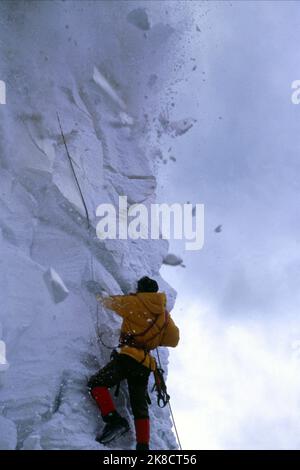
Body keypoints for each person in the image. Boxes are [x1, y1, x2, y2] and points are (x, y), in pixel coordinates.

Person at [87, 276, 180, 450]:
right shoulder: (163, 314)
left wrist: (97, 294)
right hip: (144, 365)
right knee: (139, 406)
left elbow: (111, 303)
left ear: (140, 289)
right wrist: (154, 336)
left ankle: (115, 420)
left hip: (128, 357)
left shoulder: (134, 302)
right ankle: (143, 446)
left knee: (97, 384)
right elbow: (174, 339)